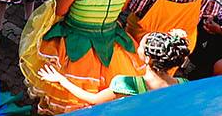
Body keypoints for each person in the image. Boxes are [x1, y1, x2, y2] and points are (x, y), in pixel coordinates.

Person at [19, 0, 144, 115]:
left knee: (66, 92)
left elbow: (60, 10)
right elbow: (123, 7)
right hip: (111, 41)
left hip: (76, 42)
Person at [61, 29, 191, 106]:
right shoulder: (184, 84)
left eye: (140, 46)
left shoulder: (127, 84)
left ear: (147, 58)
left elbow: (93, 99)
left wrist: (62, 80)